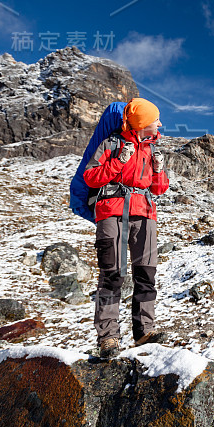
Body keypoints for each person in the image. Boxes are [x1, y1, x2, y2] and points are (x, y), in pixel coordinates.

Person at [83, 97, 169, 358]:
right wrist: (119, 160)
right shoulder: (111, 144)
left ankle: (144, 331)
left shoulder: (153, 149)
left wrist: (159, 170)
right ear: (142, 123)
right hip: (111, 212)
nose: (159, 124)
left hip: (145, 215)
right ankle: (108, 338)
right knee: (113, 274)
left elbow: (159, 189)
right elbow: (91, 176)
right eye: (155, 120)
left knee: (146, 273)